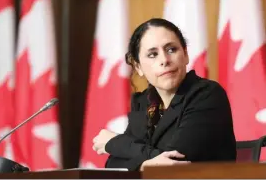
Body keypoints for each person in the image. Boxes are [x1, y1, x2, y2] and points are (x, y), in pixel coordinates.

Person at [92, 18, 237, 171]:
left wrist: (116, 143)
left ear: (186, 54)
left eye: (171, 50)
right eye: (152, 54)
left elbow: (173, 164)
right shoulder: (145, 103)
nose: (164, 60)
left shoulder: (207, 95)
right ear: (138, 66)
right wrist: (144, 165)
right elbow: (113, 164)